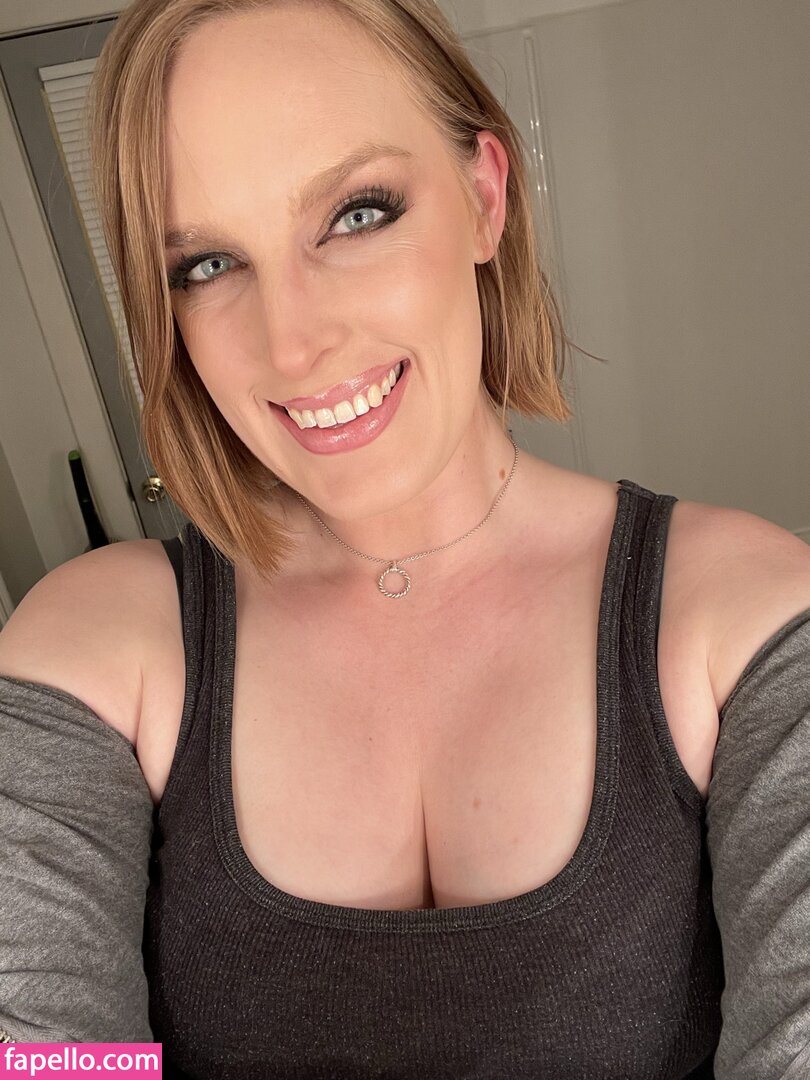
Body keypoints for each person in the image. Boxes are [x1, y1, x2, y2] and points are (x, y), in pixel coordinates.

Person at [1, 0, 809, 1076]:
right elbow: (44, 1055)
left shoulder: (745, 616)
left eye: (356, 213)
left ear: (484, 197)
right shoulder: (98, 646)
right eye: (207, 265)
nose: (292, 344)